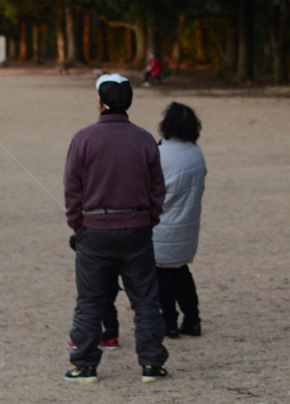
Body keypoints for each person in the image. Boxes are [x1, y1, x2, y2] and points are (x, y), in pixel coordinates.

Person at [63, 74, 170, 384]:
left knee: (90, 301)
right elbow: (157, 189)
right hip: (137, 227)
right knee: (146, 301)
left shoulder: (83, 138)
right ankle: (152, 365)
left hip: (94, 229)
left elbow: (72, 189)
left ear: (100, 102)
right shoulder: (144, 138)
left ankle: (83, 365)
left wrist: (77, 224)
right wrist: (149, 219)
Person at [153, 102, 207, 338]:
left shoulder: (161, 154)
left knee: (163, 274)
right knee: (182, 272)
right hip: (187, 224)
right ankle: (192, 319)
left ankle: (169, 322)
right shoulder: (196, 151)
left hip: (163, 226)